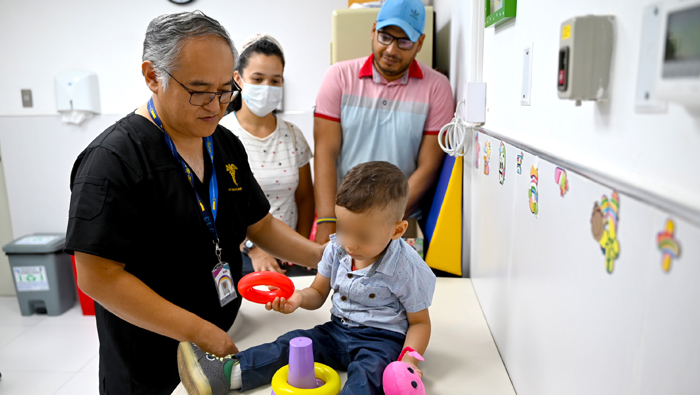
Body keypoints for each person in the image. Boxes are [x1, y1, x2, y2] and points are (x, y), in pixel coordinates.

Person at [65, 11, 324, 395]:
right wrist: (197, 330)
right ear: (153, 76)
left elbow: (259, 223)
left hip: (223, 332)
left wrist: (325, 255)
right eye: (200, 91)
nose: (216, 105)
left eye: (224, 90)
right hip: (151, 360)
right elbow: (97, 275)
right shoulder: (112, 162)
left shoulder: (223, 144)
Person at [177, 161, 437, 395]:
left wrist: (408, 361)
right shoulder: (337, 249)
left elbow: (419, 323)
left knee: (367, 376)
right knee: (292, 344)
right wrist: (299, 298)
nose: (350, 244)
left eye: (363, 237)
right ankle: (227, 374)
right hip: (337, 331)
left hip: (381, 341)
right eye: (343, 229)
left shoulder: (407, 267)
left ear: (397, 230)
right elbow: (318, 293)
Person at [313, 0, 455, 245]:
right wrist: (326, 219)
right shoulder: (338, 77)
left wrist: (385, 220)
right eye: (385, 37)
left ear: (419, 43)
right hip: (343, 217)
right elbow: (325, 152)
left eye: (404, 42)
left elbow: (429, 166)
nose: (391, 50)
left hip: (401, 220)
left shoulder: (437, 87)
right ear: (373, 31)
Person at [220, 34, 315, 276]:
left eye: (275, 81)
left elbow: (305, 199)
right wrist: (254, 249)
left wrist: (297, 249)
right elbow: (219, 208)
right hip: (242, 255)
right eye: (258, 79)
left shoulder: (293, 136)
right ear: (238, 79)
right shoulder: (221, 136)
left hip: (287, 259)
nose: (267, 88)